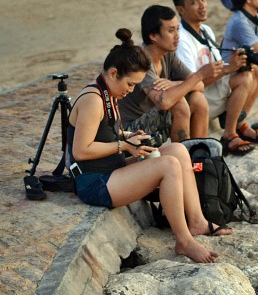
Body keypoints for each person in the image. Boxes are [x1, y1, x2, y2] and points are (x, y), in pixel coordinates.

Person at [67, 28, 232, 264]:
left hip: (109, 169)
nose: (132, 90)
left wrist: (130, 136)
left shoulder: (109, 92)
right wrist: (124, 145)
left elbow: (105, 130)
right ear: (114, 73)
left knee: (178, 151)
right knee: (168, 166)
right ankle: (183, 241)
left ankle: (196, 221)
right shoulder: (94, 100)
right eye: (130, 84)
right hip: (95, 182)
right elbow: (80, 151)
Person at [172, 0, 258, 155]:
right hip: (199, 99)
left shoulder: (206, 29)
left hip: (212, 90)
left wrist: (234, 62)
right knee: (245, 78)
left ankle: (239, 123)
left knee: (256, 71)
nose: (202, 6)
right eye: (194, 2)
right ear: (181, 10)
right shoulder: (182, 40)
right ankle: (229, 135)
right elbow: (191, 84)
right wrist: (228, 68)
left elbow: (218, 65)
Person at [119, 5, 220, 143]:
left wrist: (174, 83)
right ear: (153, 35)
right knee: (179, 103)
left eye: (178, 29)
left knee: (198, 99)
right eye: (171, 30)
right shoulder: (140, 59)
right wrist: (199, 74)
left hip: (153, 119)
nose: (177, 36)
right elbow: (164, 102)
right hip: (129, 131)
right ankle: (184, 157)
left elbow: (200, 86)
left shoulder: (168, 55)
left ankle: (198, 155)